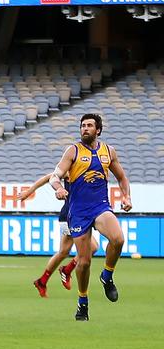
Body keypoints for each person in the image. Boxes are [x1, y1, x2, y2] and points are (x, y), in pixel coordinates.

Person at [49, 113, 133, 321]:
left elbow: (121, 177)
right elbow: (54, 176)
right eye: (82, 126)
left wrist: (127, 196)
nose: (84, 129)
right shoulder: (73, 151)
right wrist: (59, 188)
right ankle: (82, 302)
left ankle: (107, 275)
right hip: (78, 212)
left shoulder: (108, 152)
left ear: (98, 130)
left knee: (118, 239)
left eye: (89, 125)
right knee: (84, 262)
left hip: (100, 206)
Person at [18, 172, 76, 298]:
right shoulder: (71, 168)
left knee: (63, 252)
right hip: (71, 216)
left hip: (77, 216)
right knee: (91, 247)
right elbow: (49, 177)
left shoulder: (89, 167)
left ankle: (42, 281)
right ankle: (66, 270)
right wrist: (29, 191)